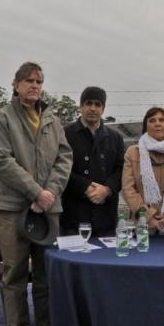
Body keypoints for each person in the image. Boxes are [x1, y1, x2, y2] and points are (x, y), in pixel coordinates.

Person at [0, 61, 72, 326]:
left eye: (39, 81)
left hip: (48, 208)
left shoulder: (52, 119)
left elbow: (64, 157)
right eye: (29, 81)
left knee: (46, 272)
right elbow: (3, 160)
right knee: (15, 272)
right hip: (13, 208)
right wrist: (35, 192)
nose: (35, 85)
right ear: (16, 84)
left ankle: (46, 325)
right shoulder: (3, 118)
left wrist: (49, 193)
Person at [60, 87, 125, 237]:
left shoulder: (115, 138)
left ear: (103, 108)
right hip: (74, 216)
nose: (93, 108)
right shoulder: (65, 134)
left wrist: (107, 189)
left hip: (106, 217)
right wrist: (85, 187)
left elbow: (121, 170)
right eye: (88, 103)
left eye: (97, 104)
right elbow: (60, 169)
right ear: (81, 106)